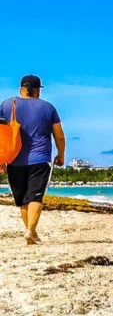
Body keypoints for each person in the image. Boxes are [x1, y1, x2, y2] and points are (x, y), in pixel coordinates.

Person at [0, 75, 65, 245]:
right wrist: (61, 154)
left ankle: (31, 231)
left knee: (22, 199)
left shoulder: (6, 105)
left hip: (14, 159)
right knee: (35, 196)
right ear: (36, 90)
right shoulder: (48, 107)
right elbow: (59, 135)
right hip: (40, 158)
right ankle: (30, 231)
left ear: (21, 89)